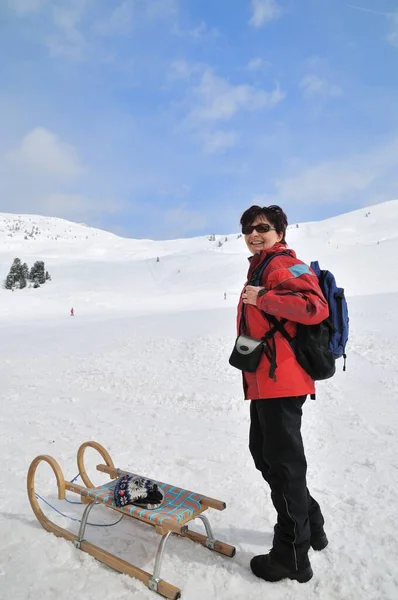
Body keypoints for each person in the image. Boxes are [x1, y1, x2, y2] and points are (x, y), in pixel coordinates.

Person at [237, 205, 329, 584]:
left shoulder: (281, 264)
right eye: (247, 229)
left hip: (282, 380)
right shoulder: (263, 263)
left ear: (279, 232)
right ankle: (313, 525)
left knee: (283, 464)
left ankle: (292, 555)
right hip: (267, 379)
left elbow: (314, 306)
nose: (254, 234)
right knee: (266, 455)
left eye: (262, 228)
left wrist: (264, 299)